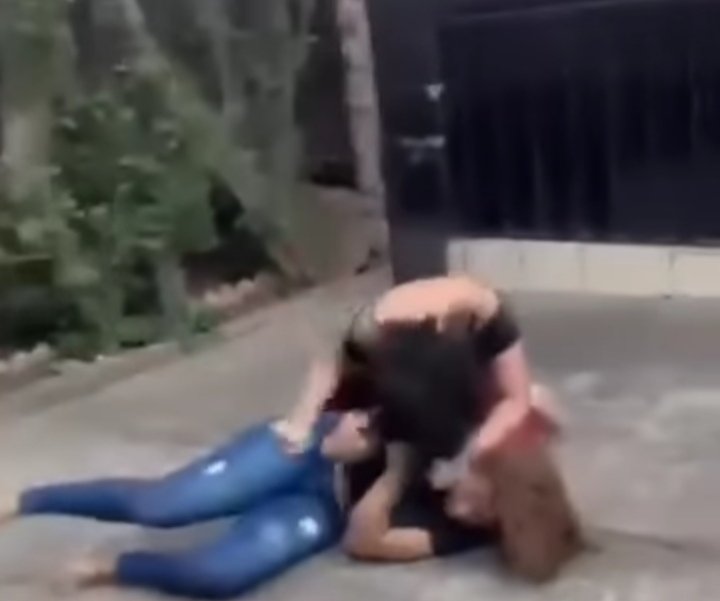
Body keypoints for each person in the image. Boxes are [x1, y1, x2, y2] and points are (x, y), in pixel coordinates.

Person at [276, 275, 582, 578]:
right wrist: (312, 428)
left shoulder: (462, 532)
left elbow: (362, 541)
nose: (465, 512)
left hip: (326, 494)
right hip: (320, 438)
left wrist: (397, 472)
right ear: (488, 472)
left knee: (249, 555)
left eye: (484, 519)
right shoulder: (466, 423)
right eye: (481, 504)